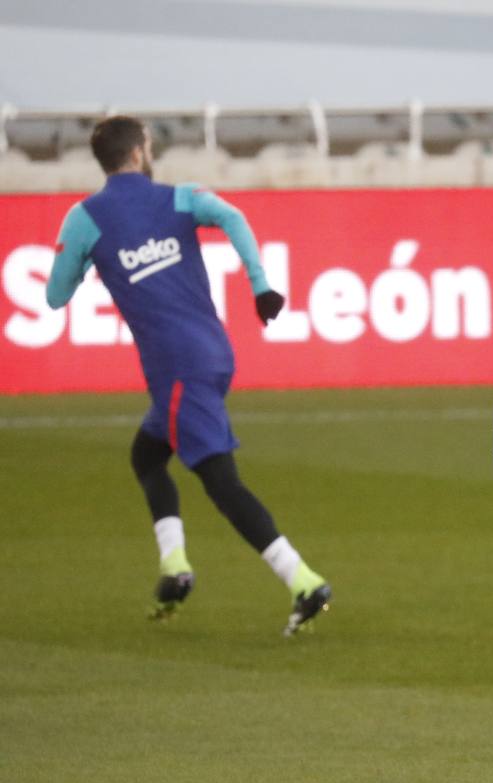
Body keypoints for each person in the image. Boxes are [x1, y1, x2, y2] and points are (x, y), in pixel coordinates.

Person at [45, 116, 331, 637]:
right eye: (149, 146)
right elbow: (233, 217)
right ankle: (174, 567)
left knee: (221, 483)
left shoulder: (84, 219)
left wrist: (91, 260)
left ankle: (303, 579)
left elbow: (55, 295)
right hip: (211, 357)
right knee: (146, 455)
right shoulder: (179, 197)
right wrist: (260, 285)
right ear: (137, 154)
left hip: (177, 370)